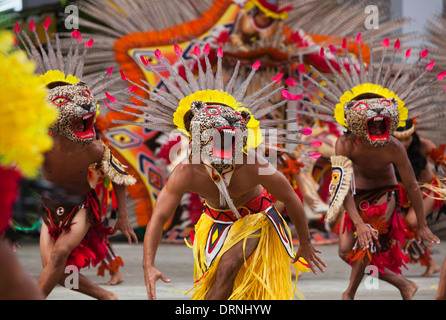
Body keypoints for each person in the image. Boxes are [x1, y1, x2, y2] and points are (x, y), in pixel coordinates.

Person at [115, 44, 326, 299]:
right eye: (216, 139)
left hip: (256, 219)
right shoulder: (187, 172)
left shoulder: (253, 163)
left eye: (228, 138)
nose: (224, 146)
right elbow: (158, 218)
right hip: (215, 223)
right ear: (198, 140)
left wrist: (304, 243)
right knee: (219, 282)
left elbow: (291, 198)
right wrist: (147, 265)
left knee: (227, 268)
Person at [293, 35, 442, 299]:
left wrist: (422, 224)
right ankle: (403, 284)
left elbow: (410, 186)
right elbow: (341, 187)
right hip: (355, 198)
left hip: (385, 195)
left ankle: (348, 293)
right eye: (370, 122)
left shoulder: (394, 146)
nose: (376, 127)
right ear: (357, 123)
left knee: (368, 243)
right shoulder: (345, 145)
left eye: (380, 122)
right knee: (344, 251)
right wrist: (358, 222)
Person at [15, 20, 137, 299]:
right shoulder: (39, 147)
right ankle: (106, 296)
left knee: (59, 256)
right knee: (54, 268)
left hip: (80, 207)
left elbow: (120, 177)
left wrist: (124, 218)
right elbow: (13, 173)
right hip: (49, 210)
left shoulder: (95, 149)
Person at [393, 119, 443, 277]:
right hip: (402, 194)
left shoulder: (424, 145)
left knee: (412, 222)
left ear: (412, 135)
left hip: (426, 190)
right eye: (399, 140)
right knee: (400, 228)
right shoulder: (388, 148)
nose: (403, 143)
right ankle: (431, 263)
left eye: (406, 139)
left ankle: (431, 263)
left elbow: (443, 163)